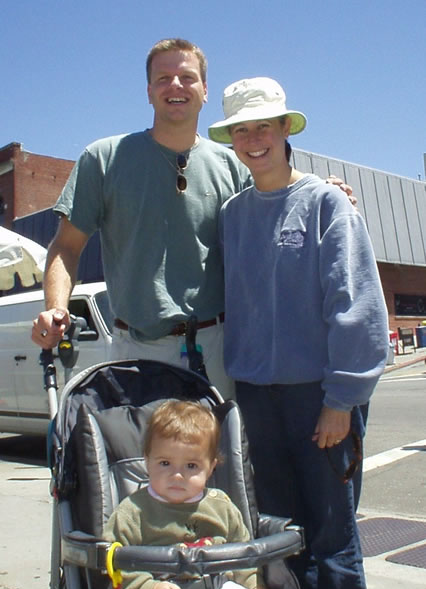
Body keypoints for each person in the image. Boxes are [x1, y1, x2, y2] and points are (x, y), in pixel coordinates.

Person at [31, 38, 355, 401]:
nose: (176, 86)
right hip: (134, 350)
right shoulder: (103, 159)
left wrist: (321, 191)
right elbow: (66, 246)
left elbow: (281, 207)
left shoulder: (235, 166)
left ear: (204, 90)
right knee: (139, 442)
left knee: (222, 441)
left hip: (218, 350)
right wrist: (55, 308)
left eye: (187, 77)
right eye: (163, 78)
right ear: (149, 92)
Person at [208, 77, 389, 589]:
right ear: (231, 140)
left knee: (334, 540)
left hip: (319, 399)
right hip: (257, 401)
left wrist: (341, 401)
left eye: (264, 126)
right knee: (280, 538)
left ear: (286, 128)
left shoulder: (327, 203)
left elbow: (357, 306)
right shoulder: (232, 215)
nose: (253, 139)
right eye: (241, 130)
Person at [103, 400, 272, 589]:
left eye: (191, 466)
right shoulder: (133, 512)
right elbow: (114, 558)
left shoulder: (221, 506)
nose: (177, 475)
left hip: (217, 588)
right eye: (165, 463)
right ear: (147, 461)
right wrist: (146, 588)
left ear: (210, 468)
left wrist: (253, 585)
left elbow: (243, 552)